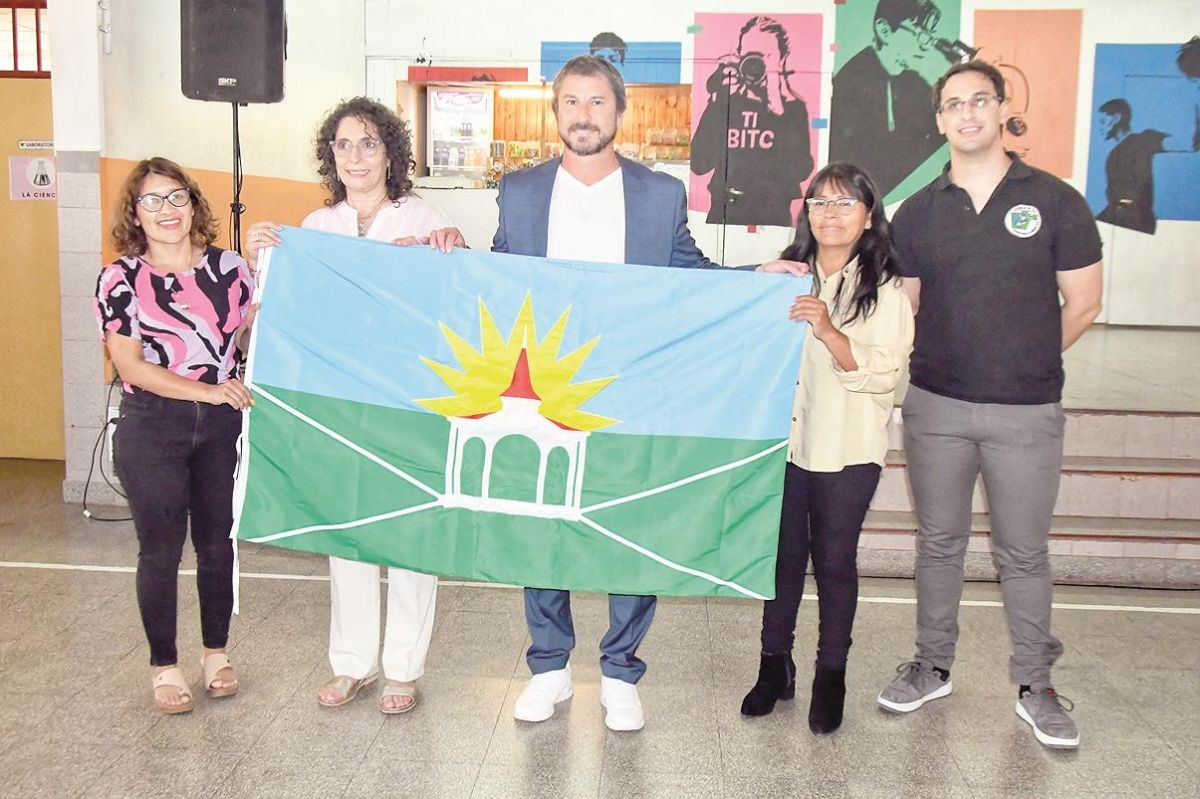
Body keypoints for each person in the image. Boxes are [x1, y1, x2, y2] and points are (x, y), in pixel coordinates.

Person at [494, 55, 803, 732]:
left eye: (597, 102)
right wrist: (440, 255)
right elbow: (491, 282)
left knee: (629, 525)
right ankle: (549, 665)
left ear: (618, 111)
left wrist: (761, 277)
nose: (583, 114)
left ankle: (619, 670)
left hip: (634, 389)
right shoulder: (518, 192)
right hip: (544, 391)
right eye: (571, 101)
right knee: (542, 525)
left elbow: (693, 278)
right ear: (557, 112)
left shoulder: (657, 194)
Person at [877, 61, 1103, 750]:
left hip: (1025, 412)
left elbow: (1085, 302)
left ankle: (1037, 684)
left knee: (1024, 553)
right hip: (935, 405)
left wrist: (1025, 358)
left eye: (980, 100)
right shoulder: (916, 211)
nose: (967, 113)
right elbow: (904, 309)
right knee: (938, 542)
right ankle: (932, 663)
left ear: (1002, 108)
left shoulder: (1057, 201)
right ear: (939, 120)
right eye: (953, 104)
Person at [246, 97, 464, 715]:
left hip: (409, 402)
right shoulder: (317, 229)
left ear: (391, 152)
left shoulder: (423, 215)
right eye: (344, 145)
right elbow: (290, 312)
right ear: (331, 156)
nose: (356, 156)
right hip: (341, 402)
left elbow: (453, 301)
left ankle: (402, 669)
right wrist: (264, 254)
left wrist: (454, 246)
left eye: (369, 143)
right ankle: (352, 664)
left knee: (409, 534)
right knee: (347, 530)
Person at [740, 162, 913, 734]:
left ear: (868, 216)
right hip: (783, 446)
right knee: (782, 561)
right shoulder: (786, 275)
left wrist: (830, 331)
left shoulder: (885, 290)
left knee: (834, 564)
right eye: (818, 202)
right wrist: (755, 280)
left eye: (844, 203)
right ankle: (773, 668)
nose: (829, 214)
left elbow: (886, 375)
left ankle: (830, 676)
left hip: (847, 450)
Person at [95, 157, 255, 715]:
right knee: (160, 550)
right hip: (152, 427)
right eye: (152, 201)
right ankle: (164, 665)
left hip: (220, 429)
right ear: (135, 214)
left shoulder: (231, 269)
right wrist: (208, 391)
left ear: (193, 203)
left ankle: (215, 654)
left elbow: (236, 344)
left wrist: (265, 307)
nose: (167, 210)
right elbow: (131, 366)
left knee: (217, 543)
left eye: (177, 197)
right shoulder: (121, 278)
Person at [690, 15, 813, 227]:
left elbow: (801, 170)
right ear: (739, 57)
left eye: (765, 56)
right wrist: (718, 100)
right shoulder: (726, 102)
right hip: (724, 214)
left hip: (773, 218)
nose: (757, 65)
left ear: (782, 60)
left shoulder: (792, 108)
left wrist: (777, 104)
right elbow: (699, 164)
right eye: (749, 56)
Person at [829, 0, 955, 198]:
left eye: (930, 36)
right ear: (885, 31)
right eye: (921, 33)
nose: (926, 46)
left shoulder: (912, 80)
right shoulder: (851, 83)